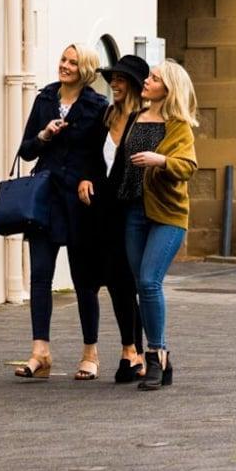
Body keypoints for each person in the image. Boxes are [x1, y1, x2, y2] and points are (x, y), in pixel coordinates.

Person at [12, 43, 110, 380]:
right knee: (40, 275)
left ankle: (90, 353)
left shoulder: (98, 106)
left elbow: (104, 157)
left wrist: (89, 178)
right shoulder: (44, 99)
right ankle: (41, 351)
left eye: (72, 62)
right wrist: (44, 135)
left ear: (85, 69)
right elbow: (26, 151)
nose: (64, 66)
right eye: (62, 60)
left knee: (84, 280)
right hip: (47, 197)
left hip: (81, 201)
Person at [114, 58, 197, 392]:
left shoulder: (178, 125)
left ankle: (155, 355)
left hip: (167, 215)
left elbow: (187, 165)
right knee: (140, 285)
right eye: (149, 77)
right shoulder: (135, 118)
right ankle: (162, 358)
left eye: (154, 78)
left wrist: (159, 160)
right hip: (133, 211)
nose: (146, 81)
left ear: (168, 88)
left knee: (150, 281)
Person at [80, 55, 147, 382]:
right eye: (113, 79)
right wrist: (85, 178)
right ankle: (130, 349)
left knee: (126, 282)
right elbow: (91, 157)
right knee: (113, 280)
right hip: (101, 212)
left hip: (130, 211)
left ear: (134, 84)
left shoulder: (145, 120)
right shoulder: (106, 116)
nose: (115, 84)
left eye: (121, 79)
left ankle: (134, 350)